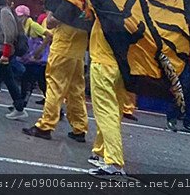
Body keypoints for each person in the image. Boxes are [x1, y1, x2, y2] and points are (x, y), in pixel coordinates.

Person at [22, 10, 89, 142]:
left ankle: (45, 126)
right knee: (76, 90)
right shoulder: (87, 0)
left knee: (54, 87)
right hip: (78, 50)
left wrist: (51, 12)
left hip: (63, 48)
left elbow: (52, 22)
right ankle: (79, 128)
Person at [86, 17, 129, 177]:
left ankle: (114, 163)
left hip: (103, 64)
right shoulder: (130, 8)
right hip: (120, 67)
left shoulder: (102, 2)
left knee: (106, 114)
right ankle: (102, 152)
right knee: (114, 112)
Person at [14, 5, 51, 106]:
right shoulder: (22, 26)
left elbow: (48, 35)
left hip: (38, 59)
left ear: (26, 16)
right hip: (28, 59)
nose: (19, 18)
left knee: (38, 83)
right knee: (30, 81)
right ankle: (21, 103)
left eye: (21, 16)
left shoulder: (33, 25)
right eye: (17, 16)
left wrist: (39, 51)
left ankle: (21, 104)